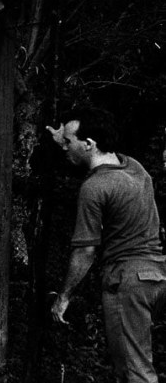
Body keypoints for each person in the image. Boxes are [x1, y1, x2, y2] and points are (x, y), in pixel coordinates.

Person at [47, 108, 166, 383]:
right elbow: (92, 166)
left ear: (89, 144)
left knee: (136, 373)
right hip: (158, 276)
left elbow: (86, 251)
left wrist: (63, 296)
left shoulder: (93, 188)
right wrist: (62, 139)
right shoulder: (134, 167)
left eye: (69, 142)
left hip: (127, 283)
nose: (65, 147)